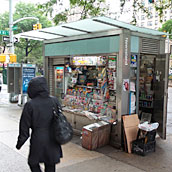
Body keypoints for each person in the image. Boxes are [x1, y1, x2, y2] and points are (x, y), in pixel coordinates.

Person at [16, 77, 63, 172]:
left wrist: (19, 143)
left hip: (38, 139)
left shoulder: (30, 105)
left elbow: (24, 128)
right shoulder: (54, 101)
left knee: (33, 163)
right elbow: (60, 118)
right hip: (53, 138)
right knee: (50, 164)